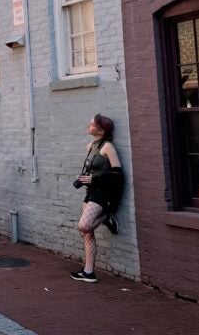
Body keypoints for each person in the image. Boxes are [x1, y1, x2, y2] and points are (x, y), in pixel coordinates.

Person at [71, 114, 124, 283]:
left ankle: (107, 215)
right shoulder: (90, 146)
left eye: (92, 124)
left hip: (103, 194)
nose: (89, 126)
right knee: (87, 233)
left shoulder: (108, 147)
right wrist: (84, 178)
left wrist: (96, 179)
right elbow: (91, 170)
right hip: (90, 192)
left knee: (84, 225)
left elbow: (117, 174)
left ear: (101, 130)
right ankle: (89, 272)